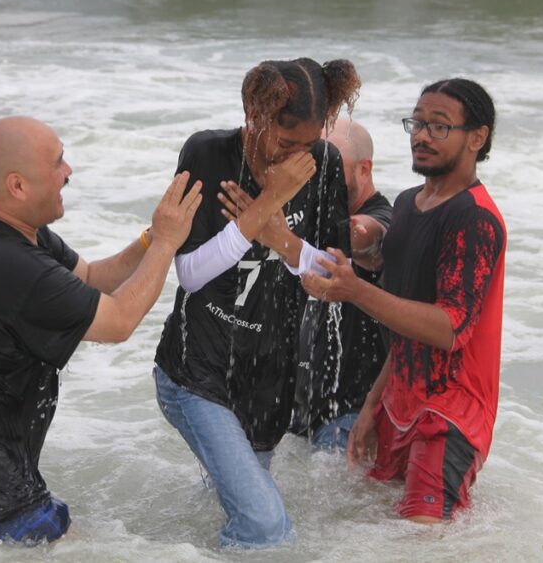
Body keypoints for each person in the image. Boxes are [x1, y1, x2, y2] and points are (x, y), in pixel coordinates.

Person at [0, 116, 202, 544]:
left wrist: (152, 238)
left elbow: (91, 278)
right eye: (58, 163)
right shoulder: (10, 263)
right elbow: (117, 322)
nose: (68, 171)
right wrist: (168, 243)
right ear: (18, 186)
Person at [153, 58, 360, 548]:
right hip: (196, 373)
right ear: (254, 115)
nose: (295, 159)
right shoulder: (207, 153)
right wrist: (272, 199)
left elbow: (331, 272)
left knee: (234, 513)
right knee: (266, 527)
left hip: (269, 381)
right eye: (286, 143)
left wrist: (279, 237)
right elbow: (190, 273)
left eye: (306, 146)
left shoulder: (325, 164)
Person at [301, 78, 506, 523]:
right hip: (401, 402)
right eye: (417, 123)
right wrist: (374, 406)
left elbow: (449, 328)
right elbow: (406, 326)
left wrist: (356, 288)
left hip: (451, 413)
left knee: (420, 540)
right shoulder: (411, 204)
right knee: (379, 529)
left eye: (439, 126)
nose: (421, 136)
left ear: (477, 137)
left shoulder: (476, 218)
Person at [289, 118, 393, 450]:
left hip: (349, 417)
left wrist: (275, 233)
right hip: (299, 413)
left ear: (364, 170)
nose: (318, 174)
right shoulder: (310, 215)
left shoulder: (384, 219)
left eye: (330, 163)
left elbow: (367, 237)